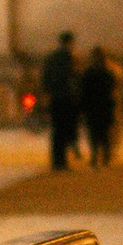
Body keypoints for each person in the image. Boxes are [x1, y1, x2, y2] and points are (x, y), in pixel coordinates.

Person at [41, 28, 82, 171]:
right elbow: (73, 77)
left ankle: (56, 160)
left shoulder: (51, 57)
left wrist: (47, 93)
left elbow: (45, 78)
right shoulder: (69, 56)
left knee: (56, 129)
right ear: (71, 42)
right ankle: (62, 161)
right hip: (66, 97)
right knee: (65, 129)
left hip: (54, 97)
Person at [79, 44, 120, 165]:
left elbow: (83, 90)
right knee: (100, 132)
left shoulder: (90, 72)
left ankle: (99, 156)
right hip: (101, 106)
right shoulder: (106, 72)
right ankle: (100, 156)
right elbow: (112, 88)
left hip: (96, 106)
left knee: (98, 133)